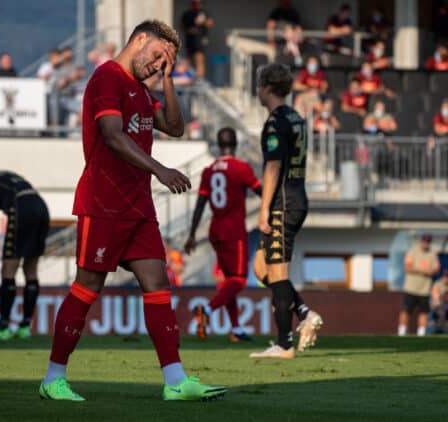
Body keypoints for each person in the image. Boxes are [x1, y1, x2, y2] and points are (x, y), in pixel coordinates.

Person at [39, 19, 226, 402]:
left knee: (158, 284)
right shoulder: (107, 78)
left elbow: (174, 126)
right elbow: (112, 135)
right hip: (103, 203)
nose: (159, 64)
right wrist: (160, 170)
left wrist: (168, 79)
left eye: (166, 62)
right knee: (88, 287)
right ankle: (53, 378)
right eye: (158, 55)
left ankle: (175, 381)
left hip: (137, 206)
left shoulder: (141, 90)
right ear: (139, 40)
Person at [250, 63, 323, 359]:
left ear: (266, 87)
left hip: (283, 202)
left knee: (278, 273)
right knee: (260, 268)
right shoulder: (296, 117)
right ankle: (304, 312)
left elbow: (273, 166)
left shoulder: (275, 121)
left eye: (258, 86)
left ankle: (283, 344)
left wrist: (264, 209)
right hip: (297, 196)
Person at [184, 127, 262, 342]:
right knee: (239, 280)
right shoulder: (240, 168)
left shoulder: (209, 171)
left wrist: (191, 234)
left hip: (215, 231)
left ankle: (236, 329)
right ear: (235, 144)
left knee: (229, 281)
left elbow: (200, 204)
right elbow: (260, 191)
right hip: (234, 231)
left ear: (219, 146)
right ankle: (207, 311)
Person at [0, 171, 49, 340]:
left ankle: (3, 327)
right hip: (41, 206)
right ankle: (25, 327)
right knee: (31, 269)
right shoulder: (0, 175)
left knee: (8, 269)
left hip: (21, 207)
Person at [398, 234, 439, 337]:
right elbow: (407, 268)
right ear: (422, 241)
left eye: (428, 242)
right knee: (406, 311)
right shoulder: (412, 252)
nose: (426, 243)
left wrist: (431, 271)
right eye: (424, 241)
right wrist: (422, 270)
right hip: (410, 289)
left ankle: (421, 334)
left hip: (424, 290)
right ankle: (401, 333)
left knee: (423, 313)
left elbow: (436, 268)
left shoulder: (432, 254)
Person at [180, 0, 214, 78]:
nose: (197, 5)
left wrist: (203, 22)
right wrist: (189, 30)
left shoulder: (203, 13)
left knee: (200, 59)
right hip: (190, 39)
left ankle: (199, 79)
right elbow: (182, 26)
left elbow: (210, 23)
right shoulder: (187, 14)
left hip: (199, 39)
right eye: (195, 3)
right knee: (188, 59)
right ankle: (185, 78)